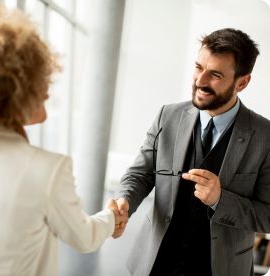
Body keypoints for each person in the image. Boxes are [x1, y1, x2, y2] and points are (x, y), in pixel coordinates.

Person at [0, 5, 128, 276]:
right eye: (42, 81)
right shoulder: (47, 169)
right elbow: (84, 237)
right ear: (14, 91)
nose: (48, 91)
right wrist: (112, 217)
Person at [113, 28, 270, 276]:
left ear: (242, 82)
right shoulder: (168, 115)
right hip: (155, 263)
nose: (200, 80)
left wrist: (221, 200)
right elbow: (141, 174)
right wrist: (125, 201)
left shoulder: (265, 136)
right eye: (198, 67)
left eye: (215, 74)